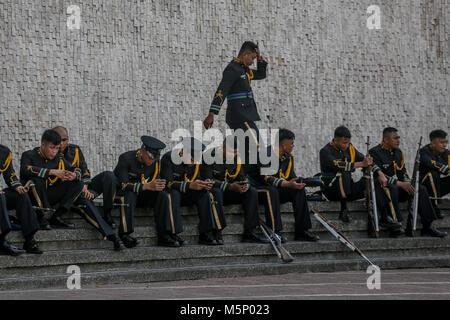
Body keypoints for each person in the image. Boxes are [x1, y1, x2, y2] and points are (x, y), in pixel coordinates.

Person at [53, 126, 124, 250]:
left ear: (68, 139)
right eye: (58, 141)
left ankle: (107, 213)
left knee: (109, 176)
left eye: (64, 140)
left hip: (82, 188)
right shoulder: (51, 152)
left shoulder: (75, 150)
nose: (61, 143)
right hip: (68, 194)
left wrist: (85, 186)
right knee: (86, 203)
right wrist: (80, 187)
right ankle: (113, 237)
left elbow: (85, 171)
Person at [203, 41, 268, 177]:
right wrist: (212, 113)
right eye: (252, 58)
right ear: (245, 54)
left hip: (246, 115)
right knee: (257, 145)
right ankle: (257, 175)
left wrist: (260, 59)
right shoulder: (232, 69)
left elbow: (261, 75)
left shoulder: (244, 69)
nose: (252, 62)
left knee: (246, 149)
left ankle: (242, 175)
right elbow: (222, 90)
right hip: (239, 115)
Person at [369, 127, 447, 238]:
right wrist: (400, 184)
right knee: (392, 187)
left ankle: (428, 225)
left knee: (420, 188)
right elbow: (378, 174)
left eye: (398, 138)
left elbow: (403, 174)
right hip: (382, 189)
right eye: (395, 138)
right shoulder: (375, 152)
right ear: (386, 140)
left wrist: (408, 182)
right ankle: (394, 223)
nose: (398, 141)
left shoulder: (398, 153)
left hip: (396, 188)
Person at [114, 136, 183, 247]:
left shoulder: (155, 162)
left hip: (140, 194)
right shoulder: (126, 158)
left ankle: (164, 235)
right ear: (142, 151)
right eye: (150, 157)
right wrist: (146, 187)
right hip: (122, 194)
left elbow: (155, 179)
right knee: (130, 194)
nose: (152, 161)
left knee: (163, 195)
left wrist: (158, 185)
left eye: (155, 158)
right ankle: (124, 234)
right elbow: (123, 185)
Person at [252, 129, 320, 242]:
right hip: (257, 189)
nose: (293, 146)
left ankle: (302, 231)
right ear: (284, 145)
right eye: (292, 143)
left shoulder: (288, 157)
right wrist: (288, 183)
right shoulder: (265, 154)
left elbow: (291, 178)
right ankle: (275, 231)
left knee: (298, 190)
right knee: (271, 190)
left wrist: (307, 182)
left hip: (276, 189)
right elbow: (267, 179)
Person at [161, 137, 226, 245]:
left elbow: (197, 178)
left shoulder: (195, 163)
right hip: (173, 193)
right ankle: (173, 233)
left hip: (188, 193)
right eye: (191, 159)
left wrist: (203, 184)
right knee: (174, 194)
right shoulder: (168, 158)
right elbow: (168, 183)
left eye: (195, 160)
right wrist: (190, 185)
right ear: (183, 152)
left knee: (205, 193)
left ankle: (206, 232)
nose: (193, 162)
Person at [203, 135, 267, 243]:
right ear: (222, 148)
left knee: (251, 191)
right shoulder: (209, 156)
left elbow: (241, 176)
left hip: (231, 191)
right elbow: (208, 180)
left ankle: (250, 232)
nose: (234, 155)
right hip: (215, 191)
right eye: (231, 152)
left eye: (236, 152)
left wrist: (245, 184)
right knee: (215, 192)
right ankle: (217, 232)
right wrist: (230, 186)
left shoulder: (236, 158)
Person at [20, 130, 84, 230]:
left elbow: (76, 168)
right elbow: (25, 170)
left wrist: (74, 175)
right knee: (36, 180)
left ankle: (57, 216)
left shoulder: (59, 157)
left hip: (48, 195)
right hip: (31, 197)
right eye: (51, 148)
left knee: (78, 183)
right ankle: (41, 217)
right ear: (43, 145)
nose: (54, 151)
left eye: (57, 148)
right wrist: (52, 172)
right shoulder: (29, 155)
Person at [320, 126, 374, 223]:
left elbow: (363, 159)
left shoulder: (350, 148)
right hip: (331, 190)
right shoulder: (325, 151)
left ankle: (377, 210)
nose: (346, 145)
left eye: (348, 142)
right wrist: (361, 164)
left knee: (369, 177)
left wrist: (374, 168)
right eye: (344, 143)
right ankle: (343, 210)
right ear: (335, 140)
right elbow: (338, 165)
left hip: (347, 189)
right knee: (343, 171)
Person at [0, 145, 41, 255]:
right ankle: (1, 241)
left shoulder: (3, 152)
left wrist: (18, 187)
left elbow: (10, 175)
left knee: (20, 195)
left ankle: (29, 239)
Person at [419, 129, 449, 219]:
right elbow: (431, 163)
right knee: (433, 174)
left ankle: (435, 203)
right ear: (432, 143)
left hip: (437, 186)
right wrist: (446, 169)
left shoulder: (446, 153)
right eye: (441, 142)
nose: (444, 145)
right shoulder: (423, 151)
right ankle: (435, 207)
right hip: (423, 185)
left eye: (445, 142)